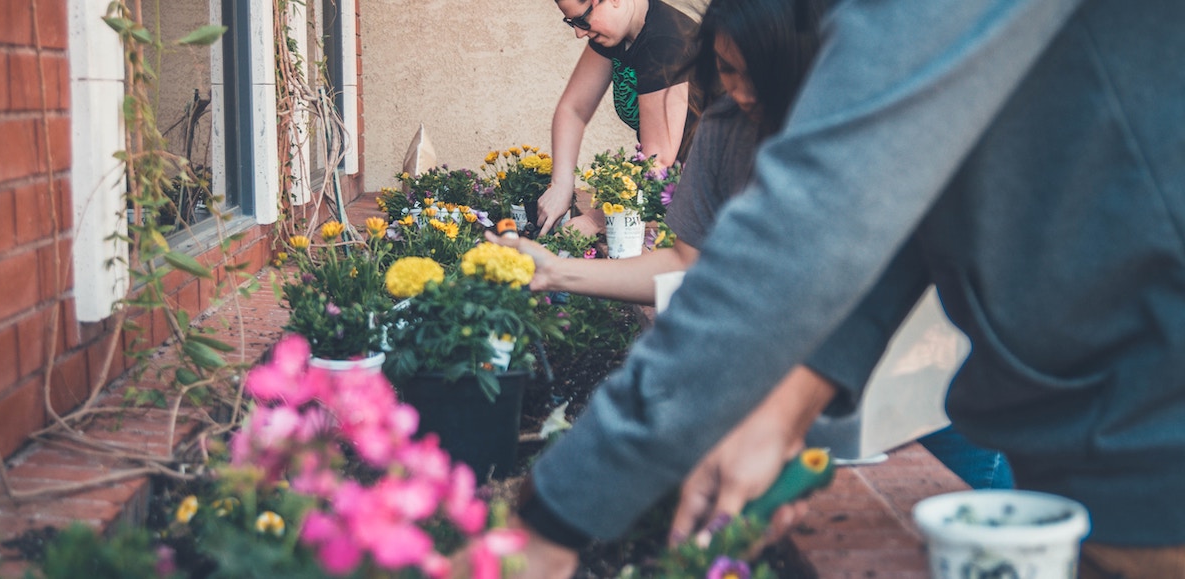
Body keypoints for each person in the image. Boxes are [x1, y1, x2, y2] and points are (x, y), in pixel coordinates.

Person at [507, 0, 1185, 577]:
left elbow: (829, 204)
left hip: (1145, 418)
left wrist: (557, 513)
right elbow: (887, 206)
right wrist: (788, 404)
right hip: (1090, 425)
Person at [504, 0, 1014, 491]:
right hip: (826, 392)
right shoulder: (725, 127)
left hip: (942, 373)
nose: (739, 92)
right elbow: (685, 263)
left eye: (757, 74)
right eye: (726, 68)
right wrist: (556, 270)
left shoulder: (874, 127)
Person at [537, 0, 699, 237]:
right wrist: (561, 184)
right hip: (677, 188)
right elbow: (573, 109)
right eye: (571, 22)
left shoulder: (665, 43)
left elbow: (658, 162)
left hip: (718, 191)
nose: (579, 33)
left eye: (582, 20)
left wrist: (595, 220)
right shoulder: (617, 32)